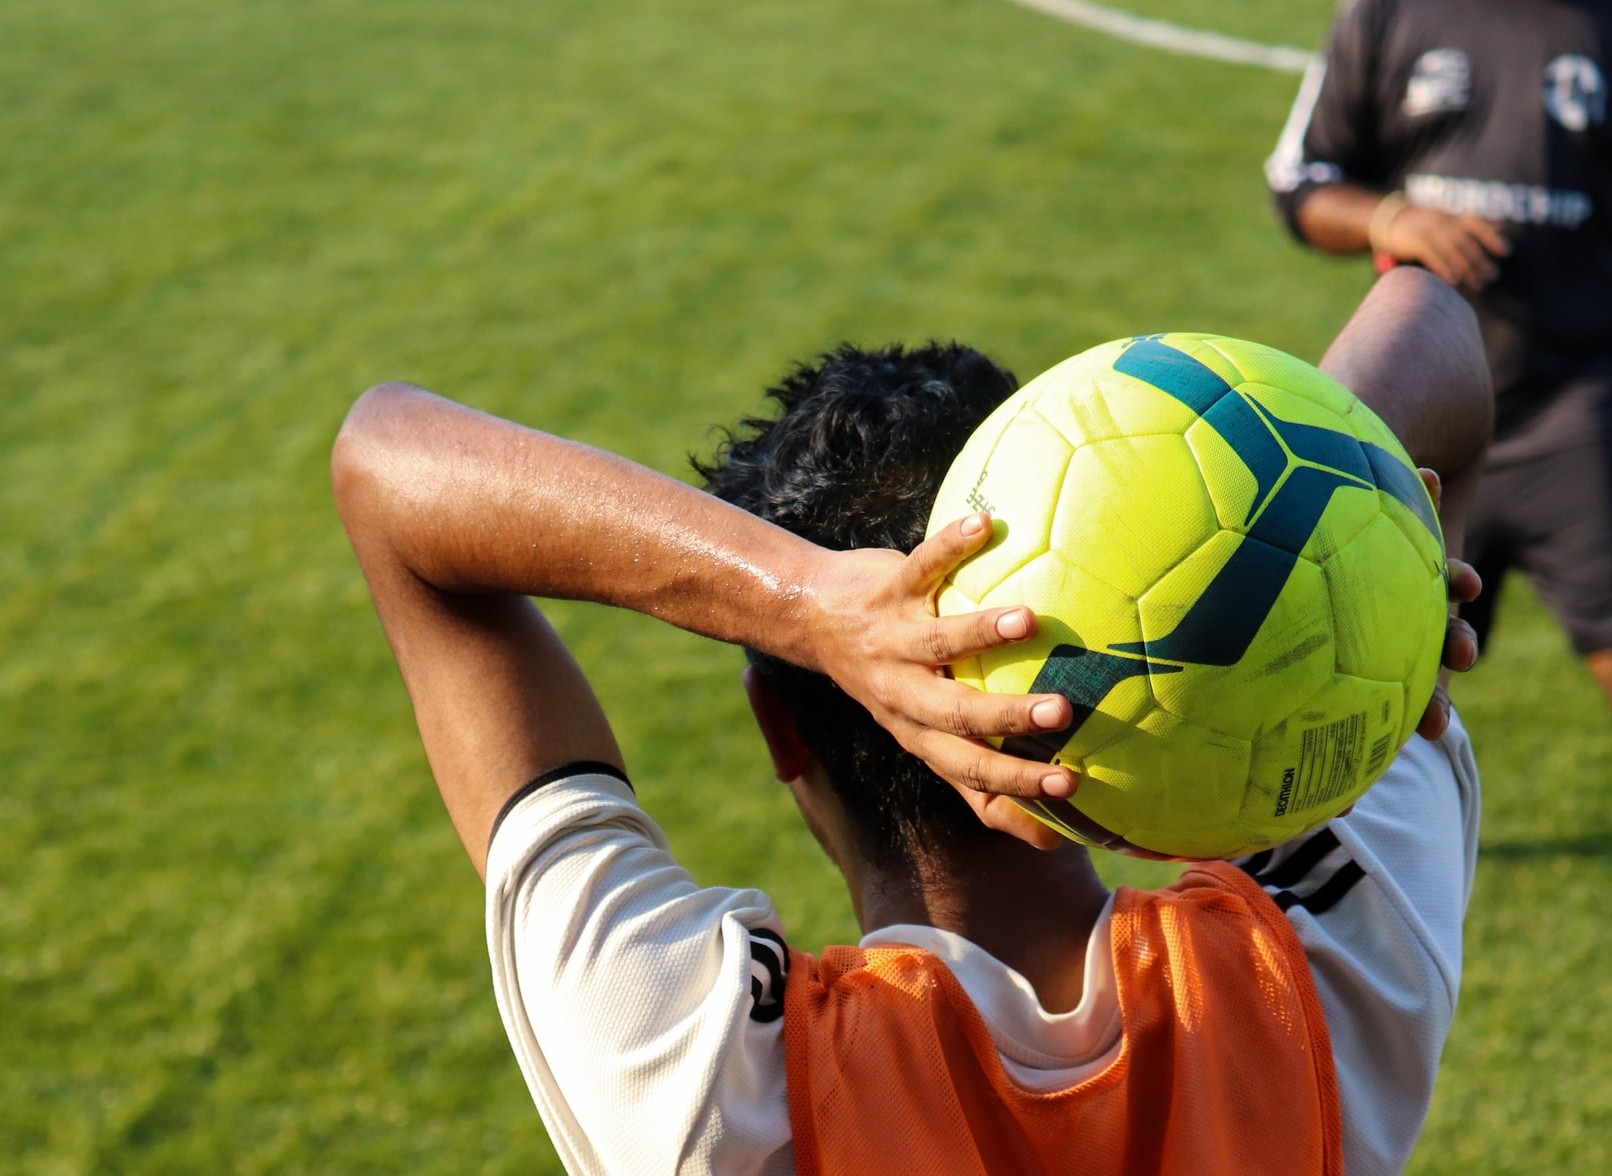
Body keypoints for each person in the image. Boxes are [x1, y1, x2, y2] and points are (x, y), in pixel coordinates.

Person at [332, 267, 1490, 1175]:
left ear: (782, 734)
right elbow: (1430, 317)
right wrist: (1339, 533)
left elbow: (385, 461)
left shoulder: (709, 1086)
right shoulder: (1329, 965)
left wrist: (802, 602)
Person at [1264, 0, 1612, 1023]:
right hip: (1418, 406)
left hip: (1581, 406)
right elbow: (1300, 184)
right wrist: (1388, 219)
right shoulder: (1384, 12)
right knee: (1361, 664)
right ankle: (1275, 917)